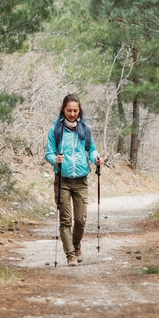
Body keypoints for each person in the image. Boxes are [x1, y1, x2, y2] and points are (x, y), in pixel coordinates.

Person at [45, 94, 102, 267]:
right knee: (65, 221)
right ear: (63, 109)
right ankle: (70, 255)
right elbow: (48, 154)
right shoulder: (55, 129)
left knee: (81, 220)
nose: (72, 113)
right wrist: (56, 160)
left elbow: (91, 150)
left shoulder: (85, 128)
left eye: (75, 110)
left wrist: (96, 158)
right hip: (62, 179)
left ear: (79, 110)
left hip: (81, 180)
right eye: (69, 110)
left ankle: (76, 244)